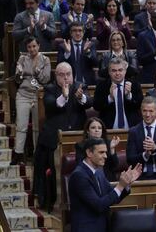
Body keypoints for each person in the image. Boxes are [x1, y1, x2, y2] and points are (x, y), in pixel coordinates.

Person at [33, 62, 92, 210]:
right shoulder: (50, 89)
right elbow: (50, 105)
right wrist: (64, 97)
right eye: (61, 75)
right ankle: (51, 201)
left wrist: (81, 98)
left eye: (68, 74)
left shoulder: (80, 86)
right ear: (56, 76)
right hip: (54, 138)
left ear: (72, 74)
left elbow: (90, 102)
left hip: (78, 137)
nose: (65, 78)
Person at [69, 138, 142, 232]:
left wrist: (126, 184)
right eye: (101, 152)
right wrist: (120, 185)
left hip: (102, 226)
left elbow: (112, 195)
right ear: (89, 153)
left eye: (106, 152)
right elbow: (99, 205)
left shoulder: (99, 171)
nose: (106, 156)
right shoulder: (79, 175)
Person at [10, 37, 51, 165]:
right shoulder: (22, 59)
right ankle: (18, 154)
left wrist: (38, 72)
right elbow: (17, 81)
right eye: (29, 47)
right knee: (21, 126)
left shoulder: (45, 60)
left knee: (37, 127)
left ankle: (37, 155)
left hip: (38, 95)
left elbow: (46, 79)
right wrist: (19, 74)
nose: (32, 49)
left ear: (38, 46)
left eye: (34, 46)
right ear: (26, 48)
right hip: (23, 94)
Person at [126, 96, 156, 180]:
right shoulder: (133, 131)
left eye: (151, 111)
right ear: (141, 111)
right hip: (139, 176)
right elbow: (130, 159)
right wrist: (145, 155)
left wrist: (155, 149)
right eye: (145, 111)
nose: (147, 115)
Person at [93, 58, 143, 129]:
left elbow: (140, 105)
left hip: (131, 128)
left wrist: (129, 96)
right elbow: (96, 106)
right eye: (114, 71)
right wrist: (110, 98)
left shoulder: (134, 85)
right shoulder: (102, 86)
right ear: (109, 72)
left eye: (120, 70)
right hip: (109, 128)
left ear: (125, 71)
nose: (117, 73)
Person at [75, 117, 120, 181]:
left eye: (99, 128)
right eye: (93, 128)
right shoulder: (81, 146)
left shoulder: (109, 143)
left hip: (108, 180)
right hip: (90, 179)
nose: (97, 130)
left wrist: (112, 149)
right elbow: (80, 166)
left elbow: (115, 166)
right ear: (87, 131)